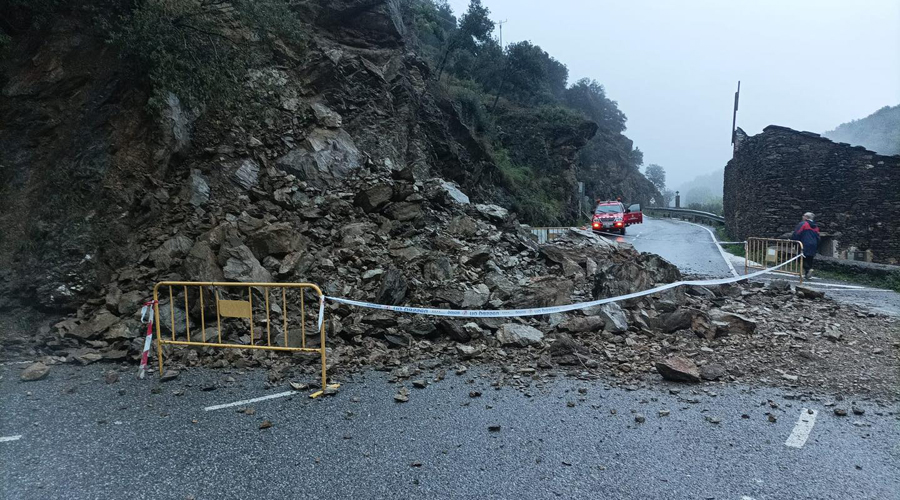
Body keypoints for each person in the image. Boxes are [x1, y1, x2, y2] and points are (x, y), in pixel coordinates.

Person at [791, 212, 820, 279]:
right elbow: (818, 236)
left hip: (804, 243)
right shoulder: (815, 226)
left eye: (803, 216)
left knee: (800, 258)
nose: (802, 217)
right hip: (813, 244)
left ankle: (808, 270)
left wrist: (793, 242)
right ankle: (808, 274)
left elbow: (797, 233)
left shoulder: (803, 224)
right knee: (809, 259)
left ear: (806, 217)